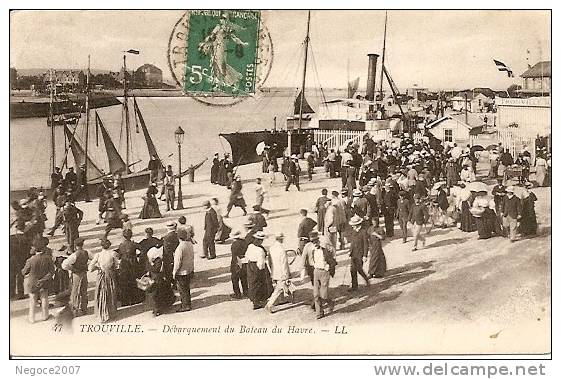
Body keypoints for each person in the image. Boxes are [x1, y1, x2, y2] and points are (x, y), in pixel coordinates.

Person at [21, 236, 55, 323]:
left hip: (32, 282)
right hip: (44, 283)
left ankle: (31, 318)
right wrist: (43, 280)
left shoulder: (30, 260)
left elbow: (24, 272)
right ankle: (45, 316)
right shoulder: (48, 258)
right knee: (44, 299)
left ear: (35, 249)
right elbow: (51, 272)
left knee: (32, 301)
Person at [89, 239, 119, 323]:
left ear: (101, 246)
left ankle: (102, 313)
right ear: (109, 245)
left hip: (101, 274)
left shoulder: (98, 255)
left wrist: (98, 267)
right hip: (110, 274)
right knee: (111, 292)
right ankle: (111, 312)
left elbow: (90, 268)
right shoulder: (113, 253)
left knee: (101, 292)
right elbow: (117, 265)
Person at [265, 233, 294, 313]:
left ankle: (282, 299)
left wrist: (272, 271)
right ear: (281, 239)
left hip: (275, 271)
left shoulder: (271, 248)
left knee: (280, 286)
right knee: (279, 289)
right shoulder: (282, 249)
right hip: (281, 272)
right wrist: (287, 274)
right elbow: (284, 264)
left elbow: (270, 261)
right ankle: (269, 305)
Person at [310, 233, 337, 319]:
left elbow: (333, 261)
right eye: (313, 242)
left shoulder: (325, 251)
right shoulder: (313, 251)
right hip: (316, 272)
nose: (315, 244)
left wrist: (328, 268)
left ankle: (330, 302)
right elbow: (311, 262)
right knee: (316, 294)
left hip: (324, 273)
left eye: (316, 241)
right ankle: (319, 313)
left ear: (318, 241)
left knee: (324, 294)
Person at [60, 237, 89, 316]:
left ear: (75, 246)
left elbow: (64, 265)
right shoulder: (86, 252)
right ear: (82, 245)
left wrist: (71, 268)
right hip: (84, 274)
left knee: (75, 292)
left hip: (76, 274)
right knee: (84, 291)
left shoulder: (74, 255)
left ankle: (75, 310)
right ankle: (84, 308)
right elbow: (92, 259)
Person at [245, 231, 272, 310]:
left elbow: (247, 255)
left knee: (252, 282)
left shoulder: (250, 246)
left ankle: (254, 299)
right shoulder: (260, 250)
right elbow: (261, 263)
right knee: (259, 283)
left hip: (250, 265)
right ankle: (258, 301)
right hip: (257, 266)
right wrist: (263, 270)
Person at [146, 245, 175, 317]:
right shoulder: (154, 260)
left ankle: (157, 309)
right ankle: (158, 308)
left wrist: (150, 267)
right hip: (156, 279)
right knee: (157, 295)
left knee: (157, 295)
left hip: (158, 279)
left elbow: (156, 270)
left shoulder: (158, 261)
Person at [173, 228, 195, 312]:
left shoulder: (179, 248)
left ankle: (185, 305)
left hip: (181, 272)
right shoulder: (189, 244)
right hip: (189, 269)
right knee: (187, 288)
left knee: (182, 289)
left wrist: (174, 272)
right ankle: (187, 303)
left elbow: (177, 263)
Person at [348, 215, 370, 291]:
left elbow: (366, 244)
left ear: (357, 225)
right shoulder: (353, 231)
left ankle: (366, 279)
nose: (352, 227)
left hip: (360, 254)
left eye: (353, 225)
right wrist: (350, 251)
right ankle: (354, 286)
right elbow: (352, 243)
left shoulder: (363, 232)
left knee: (359, 269)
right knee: (352, 270)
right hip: (353, 254)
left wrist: (365, 255)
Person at [230, 230, 249, 299]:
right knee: (244, 278)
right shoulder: (244, 242)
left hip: (237, 263)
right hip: (244, 261)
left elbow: (234, 256)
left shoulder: (234, 245)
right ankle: (246, 292)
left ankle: (237, 293)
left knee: (235, 279)